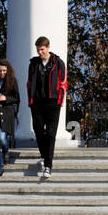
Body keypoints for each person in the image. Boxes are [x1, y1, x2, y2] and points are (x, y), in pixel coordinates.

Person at [26, 35, 67, 180]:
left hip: (53, 103)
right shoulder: (33, 64)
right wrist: (30, 101)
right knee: (38, 130)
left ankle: (48, 166)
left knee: (50, 133)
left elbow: (63, 84)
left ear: (48, 47)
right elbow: (29, 83)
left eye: (42, 49)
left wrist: (59, 102)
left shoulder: (58, 63)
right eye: (38, 50)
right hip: (37, 103)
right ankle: (44, 155)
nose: (40, 52)